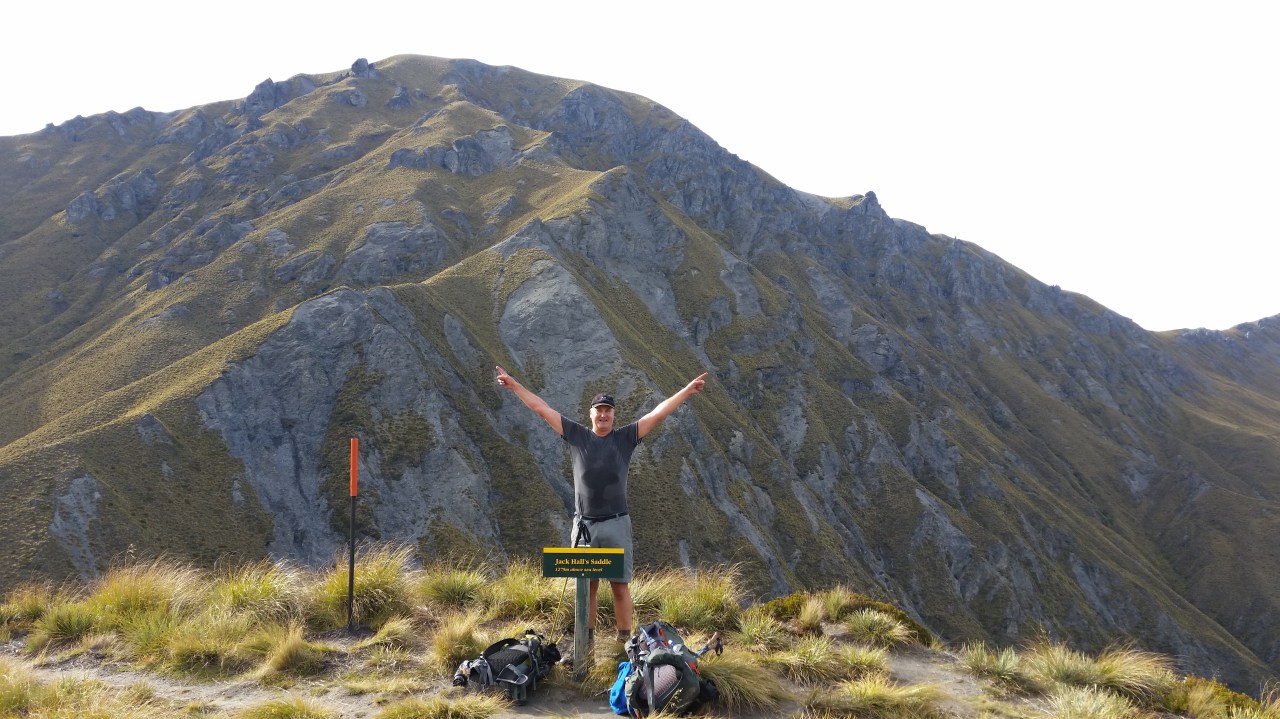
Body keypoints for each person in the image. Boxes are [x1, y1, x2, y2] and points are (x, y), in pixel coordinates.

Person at [495, 365, 708, 645]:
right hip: (584, 525)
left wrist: (687, 391)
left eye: (608, 410)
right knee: (588, 588)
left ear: (614, 415)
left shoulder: (625, 438)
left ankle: (624, 643)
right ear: (591, 413)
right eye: (599, 409)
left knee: (620, 586)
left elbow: (659, 413)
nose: (604, 414)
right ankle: (587, 643)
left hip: (616, 523)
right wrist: (514, 386)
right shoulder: (577, 435)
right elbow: (541, 408)